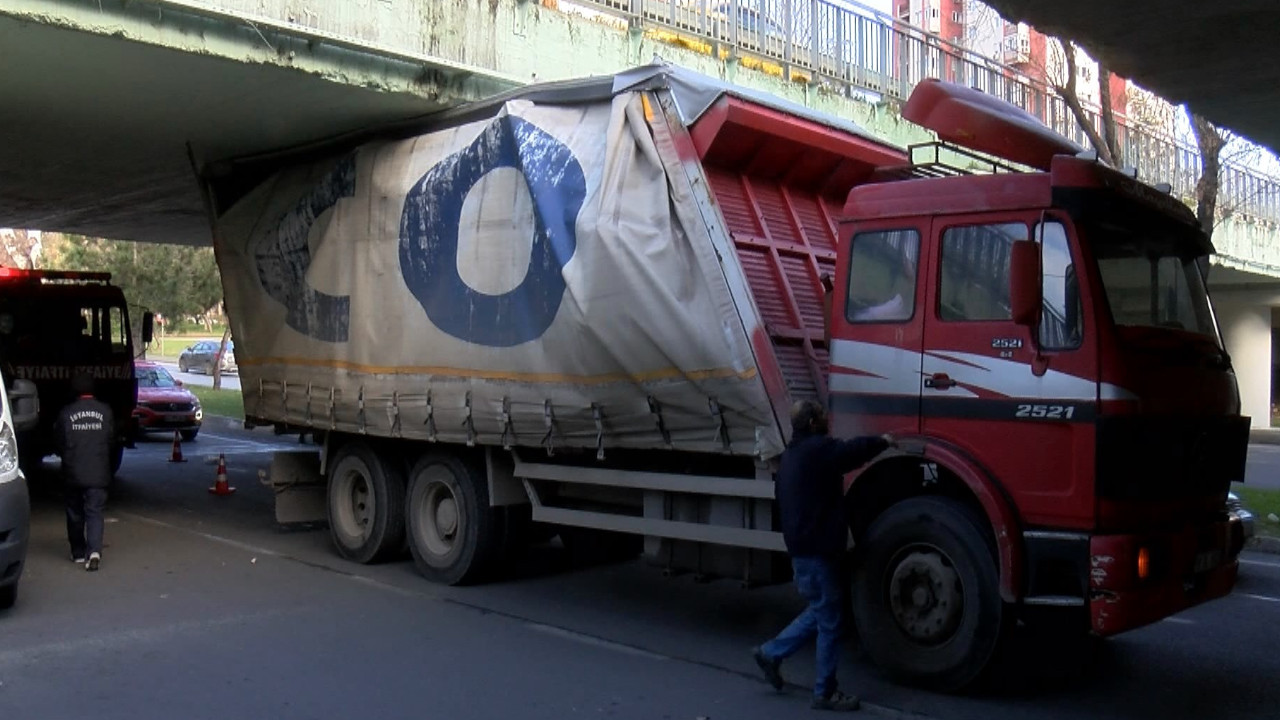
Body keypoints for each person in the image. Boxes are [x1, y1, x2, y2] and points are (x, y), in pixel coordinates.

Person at [753, 400, 894, 712]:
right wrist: (883, 442)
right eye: (823, 417)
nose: (828, 421)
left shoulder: (791, 456)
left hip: (801, 549)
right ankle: (825, 691)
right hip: (818, 550)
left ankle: (771, 653)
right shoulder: (819, 450)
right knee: (830, 620)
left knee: (821, 610)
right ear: (813, 421)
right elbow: (851, 452)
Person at [55, 373, 114, 572]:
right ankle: (94, 551)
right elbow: (111, 439)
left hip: (73, 471)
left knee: (75, 512)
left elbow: (60, 441)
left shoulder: (66, 413)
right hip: (98, 472)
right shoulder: (105, 412)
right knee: (95, 512)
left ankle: (78, 552)